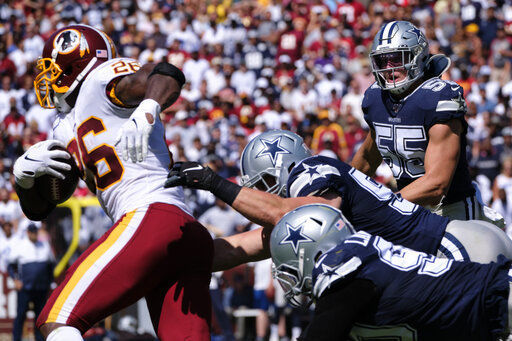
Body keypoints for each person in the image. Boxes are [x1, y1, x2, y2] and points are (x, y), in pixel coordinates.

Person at [12, 25, 213, 341]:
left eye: (54, 68)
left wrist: (148, 106)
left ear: (78, 63)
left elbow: (166, 74)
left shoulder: (100, 79)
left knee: (57, 319)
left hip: (148, 217)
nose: (49, 78)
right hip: (183, 232)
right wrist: (24, 181)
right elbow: (40, 210)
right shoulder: (63, 127)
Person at [166, 130, 512, 269]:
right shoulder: (304, 203)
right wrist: (170, 262)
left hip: (458, 251)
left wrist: (215, 183)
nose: (266, 192)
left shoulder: (313, 173)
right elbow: (241, 246)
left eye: (266, 182)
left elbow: (309, 210)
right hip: (445, 254)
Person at [269, 203, 511, 341]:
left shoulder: (340, 270)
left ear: (310, 252)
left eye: (291, 271)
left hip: (496, 302)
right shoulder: (364, 254)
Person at [350, 20, 503, 226]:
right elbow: (367, 159)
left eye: (396, 59)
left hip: (449, 210)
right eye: (382, 61)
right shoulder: (376, 98)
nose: (388, 68)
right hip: (405, 206)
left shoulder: (437, 99)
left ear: (418, 56)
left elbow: (436, 185)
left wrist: (385, 204)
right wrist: (342, 191)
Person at [8, 224, 54, 341]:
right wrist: (15, 280)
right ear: (28, 233)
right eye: (32, 232)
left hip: (40, 288)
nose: (34, 234)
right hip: (25, 289)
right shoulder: (20, 246)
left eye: (35, 232)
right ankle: (16, 338)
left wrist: (49, 281)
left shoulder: (44, 246)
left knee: (40, 317)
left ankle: (39, 339)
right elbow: (10, 266)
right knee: (21, 314)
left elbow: (50, 265)